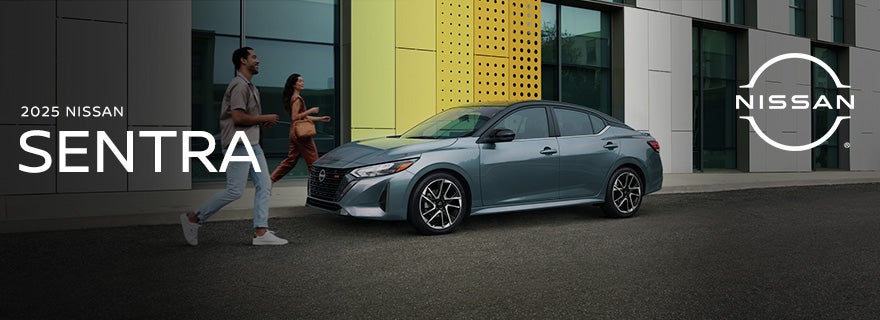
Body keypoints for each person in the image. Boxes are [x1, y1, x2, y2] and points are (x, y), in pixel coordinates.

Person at [180, 47, 288, 246]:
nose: (258, 60)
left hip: (252, 144)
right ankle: (193, 219)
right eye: (254, 57)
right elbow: (238, 117)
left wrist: (261, 121)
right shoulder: (239, 85)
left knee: (264, 185)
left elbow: (248, 118)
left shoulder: (251, 87)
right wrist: (264, 117)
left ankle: (261, 232)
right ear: (242, 60)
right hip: (238, 144)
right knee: (235, 190)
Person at [270, 73, 331, 182]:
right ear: (294, 85)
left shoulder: (294, 98)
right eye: (299, 81)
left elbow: (303, 117)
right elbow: (295, 117)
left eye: (302, 81)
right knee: (313, 160)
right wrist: (311, 110)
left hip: (295, 133)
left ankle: (270, 180)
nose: (302, 83)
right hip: (302, 134)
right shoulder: (297, 99)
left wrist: (320, 118)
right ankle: (317, 184)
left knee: (291, 160)